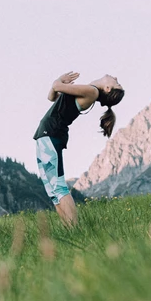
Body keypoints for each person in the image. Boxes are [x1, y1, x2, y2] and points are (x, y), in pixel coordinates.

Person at [34, 71, 124, 227]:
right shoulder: (89, 91)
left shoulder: (92, 91)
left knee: (58, 186)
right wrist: (58, 84)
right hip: (46, 135)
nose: (116, 78)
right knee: (52, 190)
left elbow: (56, 86)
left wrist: (59, 81)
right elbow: (52, 97)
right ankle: (68, 228)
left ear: (108, 88)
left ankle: (74, 228)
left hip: (51, 135)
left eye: (117, 82)